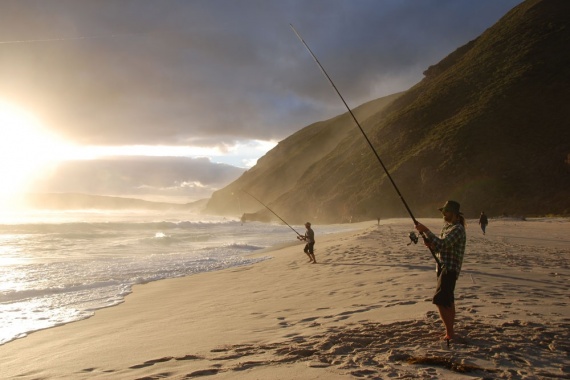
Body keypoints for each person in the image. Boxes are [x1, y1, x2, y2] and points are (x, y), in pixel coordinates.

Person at [415, 200, 466, 341]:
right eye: (443, 211)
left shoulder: (458, 229)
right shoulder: (447, 228)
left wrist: (425, 230)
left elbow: (444, 244)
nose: (444, 214)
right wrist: (431, 245)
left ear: (454, 213)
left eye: (446, 211)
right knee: (448, 301)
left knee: (440, 300)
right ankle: (450, 331)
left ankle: (450, 333)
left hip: (450, 269)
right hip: (442, 267)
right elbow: (440, 248)